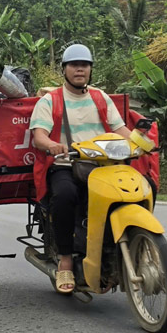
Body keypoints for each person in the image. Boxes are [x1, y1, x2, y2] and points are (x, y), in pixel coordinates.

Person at [29, 44, 132, 294]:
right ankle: (65, 260)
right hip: (66, 165)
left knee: (140, 187)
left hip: (103, 166)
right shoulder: (49, 100)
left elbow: (121, 131)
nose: (79, 69)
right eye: (74, 65)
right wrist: (53, 145)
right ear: (64, 69)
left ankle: (127, 245)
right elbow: (39, 136)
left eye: (84, 65)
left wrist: (142, 143)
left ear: (90, 69)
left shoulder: (100, 97)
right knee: (65, 196)